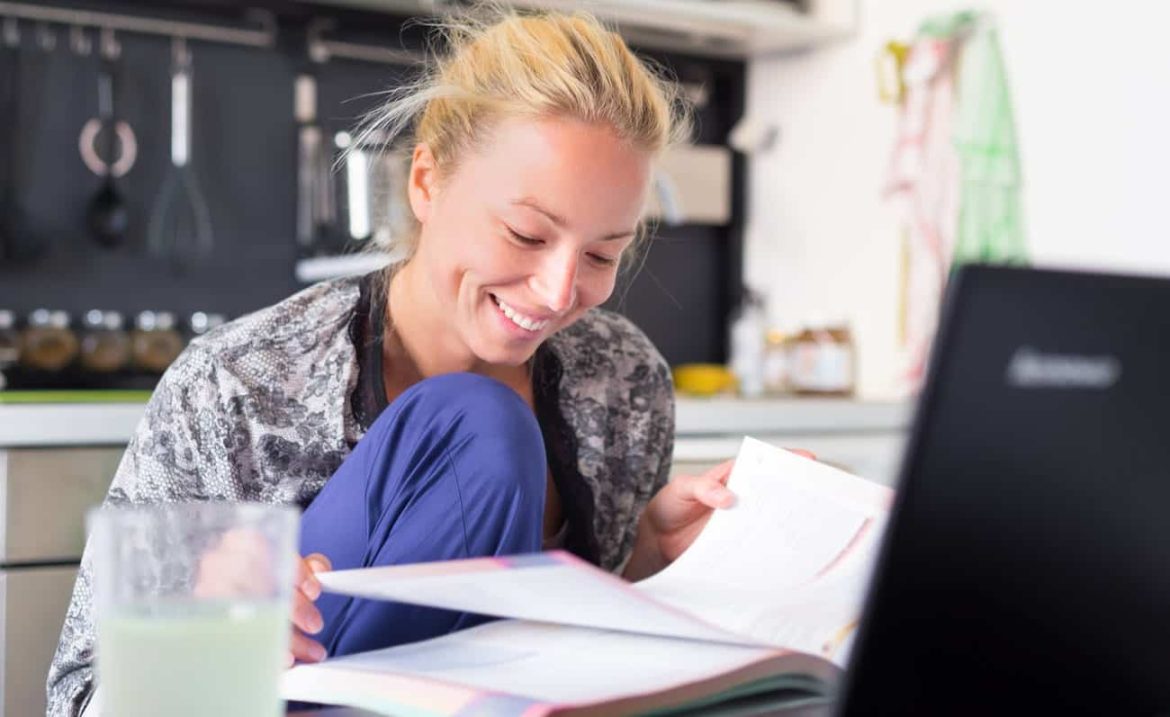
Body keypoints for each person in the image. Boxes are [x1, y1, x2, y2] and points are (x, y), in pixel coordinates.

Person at [47, 9, 744, 716]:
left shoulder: (623, 383)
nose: (561, 291)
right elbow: (77, 699)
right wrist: (196, 638)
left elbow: (563, 666)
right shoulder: (240, 386)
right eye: (526, 233)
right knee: (475, 425)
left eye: (602, 254)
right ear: (426, 181)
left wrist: (648, 567)